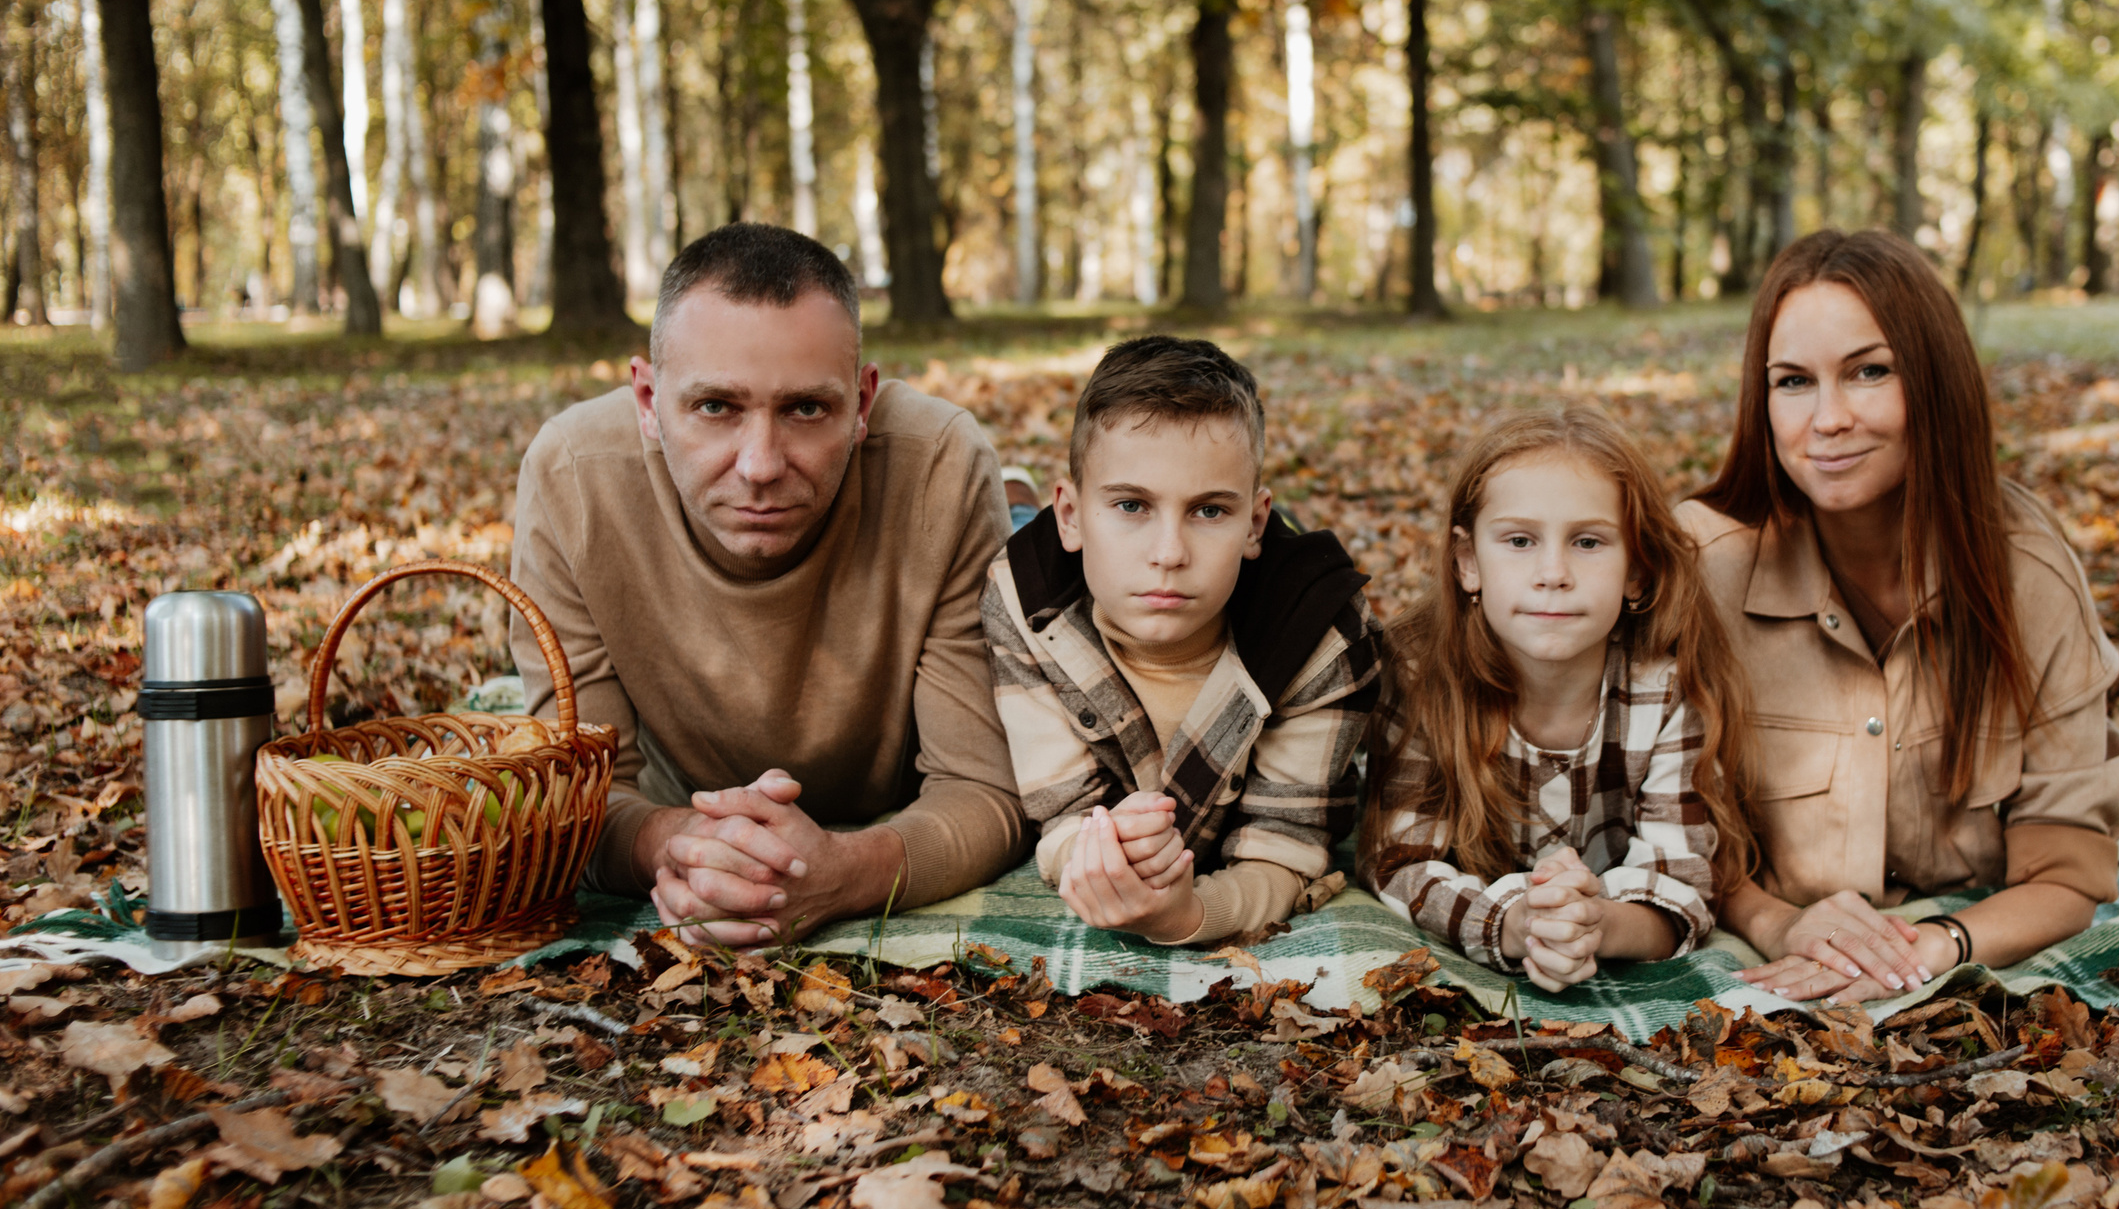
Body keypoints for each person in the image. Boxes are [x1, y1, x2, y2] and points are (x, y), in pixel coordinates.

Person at [508, 223, 1024, 947]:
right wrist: (676, 843)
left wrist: (847, 870)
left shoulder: (941, 464)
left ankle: (1015, 509)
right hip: (689, 782)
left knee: (1051, 568)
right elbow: (575, 801)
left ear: (863, 402)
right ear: (648, 400)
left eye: (806, 409)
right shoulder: (572, 479)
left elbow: (987, 790)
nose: (760, 464)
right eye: (715, 407)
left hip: (892, 763)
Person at [1679, 228, 2119, 1004]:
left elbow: (2068, 873)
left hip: (1963, 932)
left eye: (1868, 372)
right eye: (1793, 382)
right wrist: (1773, 922)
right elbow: (1661, 820)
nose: (1827, 419)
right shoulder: (1704, 567)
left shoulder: (2029, 576)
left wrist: (1933, 947)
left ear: (1935, 382)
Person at [984, 337, 1384, 946]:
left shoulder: (1324, 635)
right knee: (1016, 533)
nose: (1169, 554)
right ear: (1069, 514)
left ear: (1255, 522)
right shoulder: (1022, 602)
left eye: (1209, 512)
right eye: (1131, 504)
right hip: (1065, 570)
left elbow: (1286, 849)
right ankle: (1020, 505)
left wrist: (1186, 916)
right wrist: (1094, 856)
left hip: (1267, 596)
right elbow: (1060, 810)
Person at [1362, 408, 1754, 992]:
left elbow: (1683, 884)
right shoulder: (1424, 674)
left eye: (1588, 541)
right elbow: (1399, 863)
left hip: (1603, 916)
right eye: (1519, 541)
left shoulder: (1665, 690)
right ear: (1468, 562)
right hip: (1500, 913)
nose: (1553, 573)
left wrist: (1595, 925)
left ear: (1637, 570)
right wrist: (1514, 926)